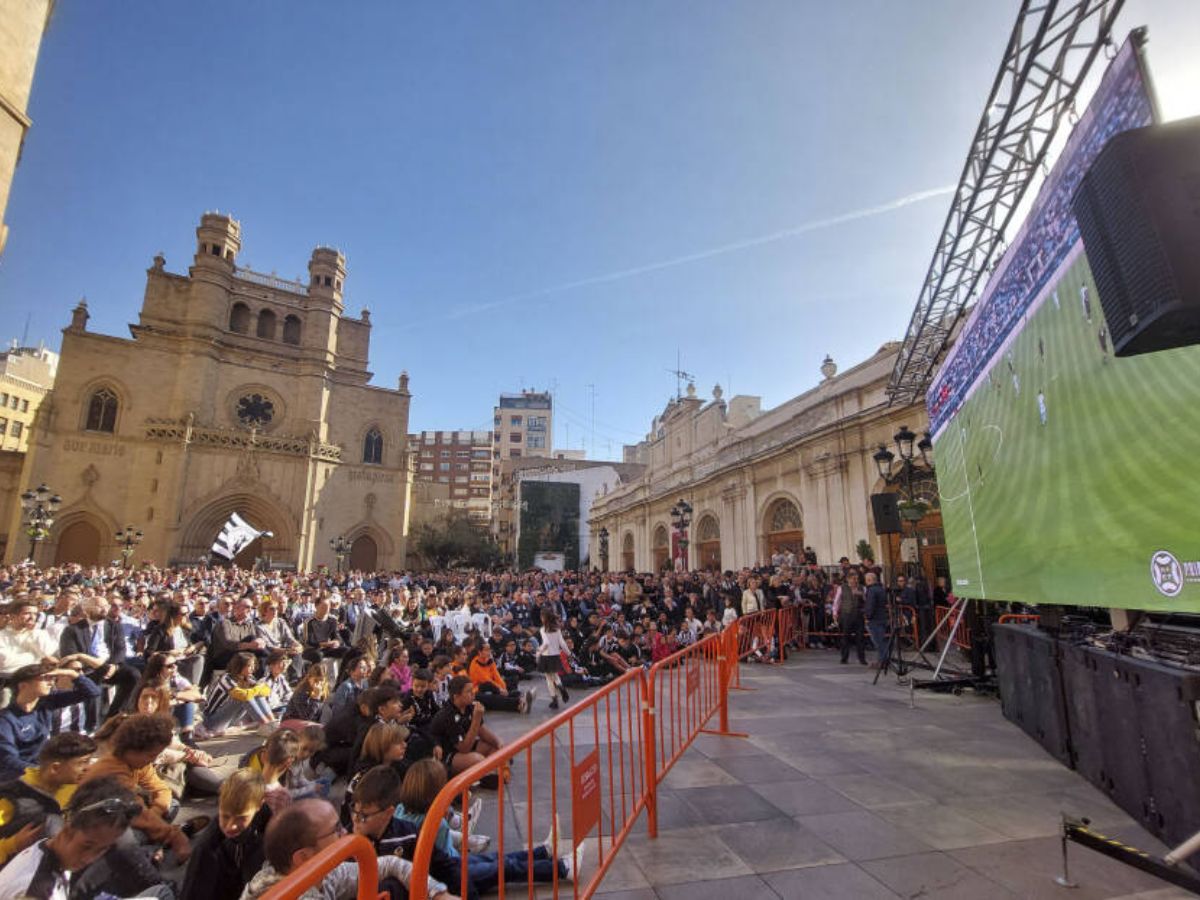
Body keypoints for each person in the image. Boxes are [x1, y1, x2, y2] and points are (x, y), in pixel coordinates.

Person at [393, 759, 581, 896]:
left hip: (453, 865)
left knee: (499, 859)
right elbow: (445, 864)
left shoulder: (401, 811)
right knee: (505, 867)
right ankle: (563, 868)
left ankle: (544, 852)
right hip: (451, 876)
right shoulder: (435, 824)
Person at [239, 797, 457, 900]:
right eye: (336, 830)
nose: (347, 834)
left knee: (392, 886)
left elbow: (389, 864)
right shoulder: (288, 895)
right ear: (304, 856)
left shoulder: (322, 873)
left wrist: (439, 893)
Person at [0, 775, 141, 900]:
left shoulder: (51, 851)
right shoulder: (35, 891)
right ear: (67, 829)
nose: (89, 858)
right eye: (86, 846)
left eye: (101, 850)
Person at [80, 712, 193, 864]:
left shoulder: (137, 763)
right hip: (99, 832)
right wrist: (174, 836)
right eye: (151, 755)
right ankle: (151, 851)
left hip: (130, 814)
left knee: (171, 804)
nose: (153, 760)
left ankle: (155, 843)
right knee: (131, 836)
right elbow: (135, 813)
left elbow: (161, 789)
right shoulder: (111, 771)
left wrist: (155, 813)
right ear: (132, 749)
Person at [0, 732, 96, 866]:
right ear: (55, 768)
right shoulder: (9, 799)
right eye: (82, 763)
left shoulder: (71, 786)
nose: (88, 768)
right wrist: (12, 844)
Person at [180, 770, 272, 900]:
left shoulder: (266, 817)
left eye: (241, 818)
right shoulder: (206, 851)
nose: (231, 826)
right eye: (225, 816)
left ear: (259, 805)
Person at [0, 664, 100, 782]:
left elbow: (92, 692)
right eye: (44, 679)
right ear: (23, 686)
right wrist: (42, 772)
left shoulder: (46, 703)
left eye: (51, 679)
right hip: (17, 777)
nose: (51, 683)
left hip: (43, 768)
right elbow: (8, 759)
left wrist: (72, 674)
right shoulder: (6, 719)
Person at [58, 597, 141, 729]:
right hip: (88, 669)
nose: (104, 609)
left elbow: (120, 649)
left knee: (133, 674)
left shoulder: (114, 625)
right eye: (99, 606)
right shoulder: (73, 630)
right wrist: (91, 663)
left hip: (110, 666)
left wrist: (114, 665)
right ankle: (91, 726)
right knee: (92, 683)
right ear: (87, 609)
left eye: (105, 606)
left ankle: (114, 716)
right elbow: (69, 655)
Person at [428, 677, 503, 782]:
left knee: (493, 747)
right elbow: (464, 748)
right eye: (468, 692)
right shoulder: (447, 715)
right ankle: (485, 776)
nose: (473, 694)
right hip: (448, 754)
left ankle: (488, 773)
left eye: (472, 690)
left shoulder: (469, 706)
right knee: (478, 759)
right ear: (456, 696)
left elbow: (482, 731)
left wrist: (499, 744)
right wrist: (476, 719)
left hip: (464, 745)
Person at [197, 651, 275, 739]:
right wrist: (258, 688)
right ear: (239, 666)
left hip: (232, 719)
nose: (252, 669)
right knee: (245, 696)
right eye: (249, 666)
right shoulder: (226, 678)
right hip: (212, 721)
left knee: (255, 694)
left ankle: (271, 722)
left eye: (253, 665)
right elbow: (243, 696)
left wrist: (257, 689)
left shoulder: (249, 678)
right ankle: (264, 725)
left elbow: (267, 691)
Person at [536, 610, 570, 711]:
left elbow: (546, 643)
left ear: (544, 619)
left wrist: (539, 651)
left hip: (546, 655)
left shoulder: (543, 629)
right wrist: (569, 653)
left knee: (549, 678)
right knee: (554, 675)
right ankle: (561, 686)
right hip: (555, 655)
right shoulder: (557, 629)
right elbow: (562, 643)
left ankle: (554, 700)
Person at [835, 570, 867, 665]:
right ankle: (844, 658)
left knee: (860, 638)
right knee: (845, 637)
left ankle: (862, 658)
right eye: (853, 579)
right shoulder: (842, 588)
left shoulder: (862, 588)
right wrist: (834, 612)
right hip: (846, 614)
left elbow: (867, 600)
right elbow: (837, 601)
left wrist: (862, 595)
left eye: (857, 579)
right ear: (848, 579)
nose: (855, 580)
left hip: (858, 615)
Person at [863, 571, 889, 667]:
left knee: (878, 641)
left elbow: (870, 605)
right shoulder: (881, 589)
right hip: (882, 617)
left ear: (870, 580)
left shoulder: (872, 590)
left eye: (866, 580)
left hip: (874, 619)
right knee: (881, 640)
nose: (865, 582)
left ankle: (883, 661)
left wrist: (867, 616)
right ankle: (883, 659)